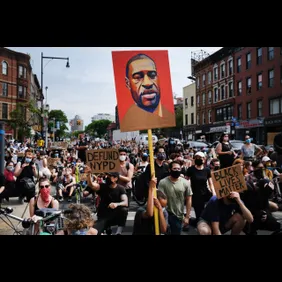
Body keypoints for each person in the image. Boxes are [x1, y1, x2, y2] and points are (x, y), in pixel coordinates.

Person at [119, 53, 176, 132]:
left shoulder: (169, 116)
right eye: (138, 77)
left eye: (152, 75)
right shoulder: (127, 120)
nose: (147, 83)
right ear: (128, 83)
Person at [86, 169, 128, 235]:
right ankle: (106, 228)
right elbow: (91, 185)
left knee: (124, 210)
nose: (107, 177)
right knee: (94, 232)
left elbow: (125, 202)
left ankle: (118, 232)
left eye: (109, 176)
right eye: (107, 175)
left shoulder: (121, 188)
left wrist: (117, 204)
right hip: (103, 215)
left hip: (114, 215)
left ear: (115, 178)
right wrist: (89, 175)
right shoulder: (102, 186)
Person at [158, 161, 193, 235]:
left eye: (178, 169)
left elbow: (189, 199)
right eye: (174, 168)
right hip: (166, 213)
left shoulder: (185, 182)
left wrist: (187, 216)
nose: (177, 170)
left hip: (178, 216)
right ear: (170, 170)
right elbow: (160, 199)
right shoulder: (163, 182)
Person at [186, 152, 216, 223]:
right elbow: (186, 181)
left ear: (204, 159)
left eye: (201, 158)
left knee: (208, 211)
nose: (199, 159)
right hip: (195, 194)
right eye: (197, 158)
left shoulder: (207, 170)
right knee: (199, 213)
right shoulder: (191, 169)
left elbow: (210, 183)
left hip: (205, 193)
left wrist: (213, 193)